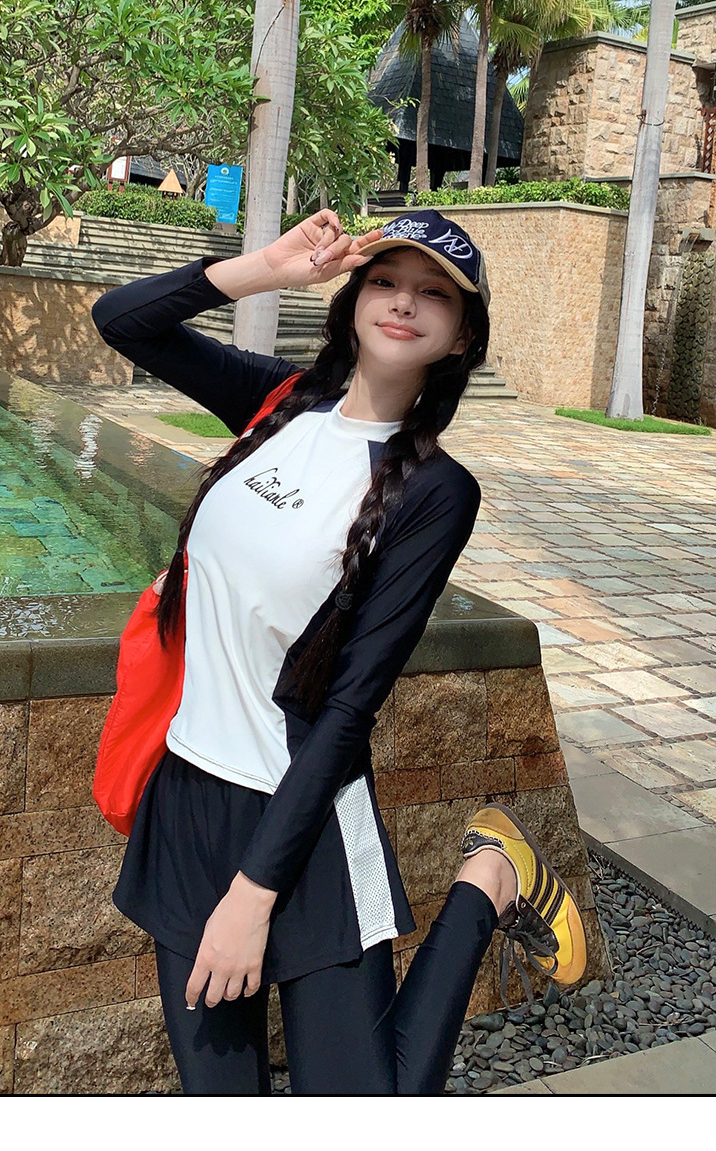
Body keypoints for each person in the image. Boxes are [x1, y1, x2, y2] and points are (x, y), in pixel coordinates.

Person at [91, 207, 586, 1096]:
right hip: (189, 802)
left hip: (307, 820)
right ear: (353, 299)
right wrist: (270, 269)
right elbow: (122, 319)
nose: (403, 302)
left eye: (434, 294)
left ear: (461, 337)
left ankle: (488, 879)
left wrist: (254, 893)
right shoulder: (281, 403)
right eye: (385, 281)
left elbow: (353, 704)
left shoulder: (436, 491)